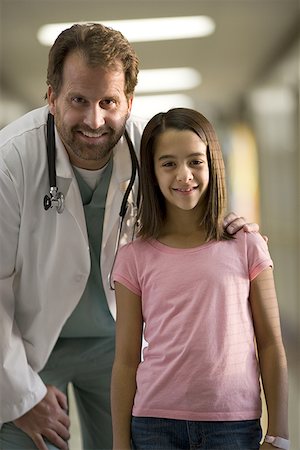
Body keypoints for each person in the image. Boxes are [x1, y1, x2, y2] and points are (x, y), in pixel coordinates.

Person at [0, 23, 259, 450]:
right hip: (27, 343)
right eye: (78, 100)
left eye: (109, 102)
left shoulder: (149, 150)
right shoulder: (12, 161)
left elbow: (188, 194)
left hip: (116, 343)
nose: (94, 120)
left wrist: (225, 224)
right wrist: (20, 395)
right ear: (51, 97)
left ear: (129, 102)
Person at [111, 108, 289, 450]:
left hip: (233, 426)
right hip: (154, 425)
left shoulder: (247, 245)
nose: (184, 175)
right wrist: (120, 443)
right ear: (152, 171)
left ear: (212, 164)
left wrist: (279, 435)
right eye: (168, 163)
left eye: (195, 161)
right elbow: (125, 360)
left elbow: (270, 343)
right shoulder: (134, 258)